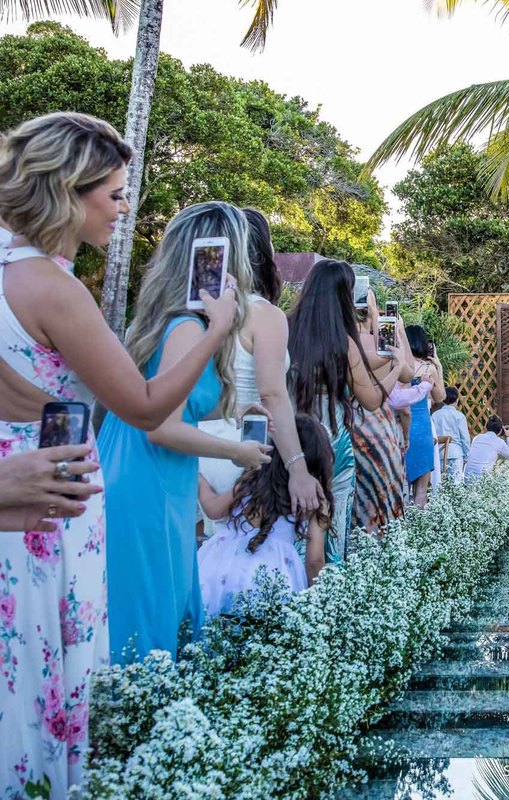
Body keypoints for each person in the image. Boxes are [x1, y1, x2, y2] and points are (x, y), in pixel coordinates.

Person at [0, 112, 237, 798]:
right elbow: (142, 404)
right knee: (44, 681)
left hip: (16, 493)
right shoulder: (52, 287)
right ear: (68, 190)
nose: (124, 206)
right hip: (49, 502)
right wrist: (212, 329)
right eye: (113, 192)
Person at [100, 202, 273, 664]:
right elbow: (164, 429)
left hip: (150, 480)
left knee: (157, 623)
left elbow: (192, 402)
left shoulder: (169, 321)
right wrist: (236, 450)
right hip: (147, 485)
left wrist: (237, 409)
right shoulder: (189, 329)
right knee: (146, 633)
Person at [197, 208, 323, 535]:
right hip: (243, 455)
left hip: (194, 448)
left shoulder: (198, 309)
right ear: (262, 254)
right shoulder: (263, 314)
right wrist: (297, 468)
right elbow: (272, 394)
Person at [288, 260, 407, 560]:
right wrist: (397, 365)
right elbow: (371, 399)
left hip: (292, 439)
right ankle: (326, 582)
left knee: (292, 518)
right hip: (334, 443)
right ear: (344, 294)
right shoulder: (343, 343)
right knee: (333, 519)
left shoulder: (287, 330)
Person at [197, 414, 334, 616]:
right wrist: (319, 607)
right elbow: (314, 560)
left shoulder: (253, 476)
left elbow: (214, 509)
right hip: (275, 573)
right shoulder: (315, 497)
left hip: (222, 563)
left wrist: (199, 479)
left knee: (214, 632)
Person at [352, 289, 414, 530]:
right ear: (373, 310)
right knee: (384, 492)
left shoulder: (342, 341)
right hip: (380, 425)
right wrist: (399, 331)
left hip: (350, 423)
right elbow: (408, 374)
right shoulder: (382, 344)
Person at [403, 324, 446, 507]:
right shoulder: (429, 369)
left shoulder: (398, 366)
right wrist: (439, 366)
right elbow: (440, 397)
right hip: (422, 428)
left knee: (400, 485)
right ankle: (419, 529)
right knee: (421, 492)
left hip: (401, 425)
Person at [432, 385, 471, 483]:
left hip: (439, 453)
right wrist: (467, 455)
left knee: (439, 483)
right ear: (457, 400)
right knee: (455, 484)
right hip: (455, 453)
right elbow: (465, 438)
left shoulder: (435, 415)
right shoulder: (459, 416)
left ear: (442, 399)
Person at [464, 415, 509, 480]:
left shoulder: (477, 438)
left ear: (486, 427)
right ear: (501, 430)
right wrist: (508, 436)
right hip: (481, 480)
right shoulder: (499, 442)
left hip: (466, 477)